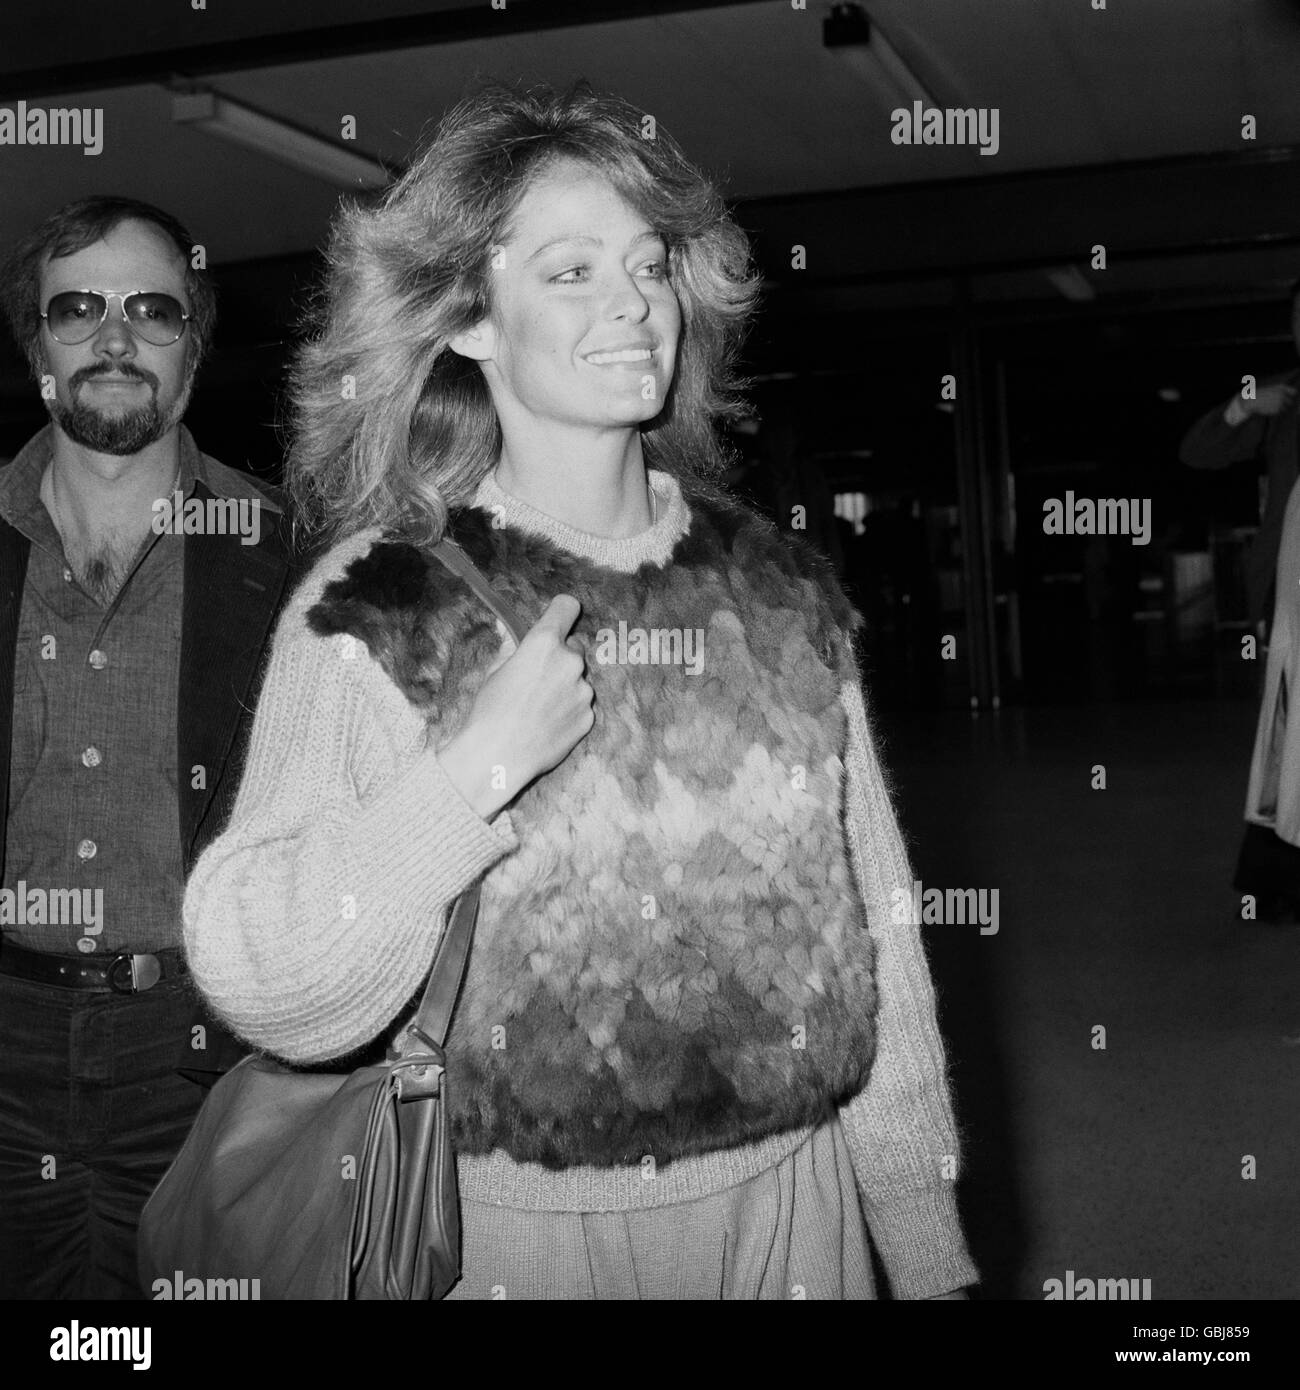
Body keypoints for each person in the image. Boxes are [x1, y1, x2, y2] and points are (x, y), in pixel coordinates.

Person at [183, 80, 980, 1300]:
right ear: (469, 321)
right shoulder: (379, 605)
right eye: (569, 271)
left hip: (792, 1218)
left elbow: (881, 945)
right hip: (511, 1238)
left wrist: (926, 1253)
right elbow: (262, 976)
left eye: (650, 265)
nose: (633, 305)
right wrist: (464, 783)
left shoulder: (774, 586)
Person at [0, 197, 294, 1298]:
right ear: (38, 346)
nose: (113, 338)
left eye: (151, 310)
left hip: (209, 1055)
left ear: (194, 349)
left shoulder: (292, 556)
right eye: (77, 308)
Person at [1179, 280, 1300, 920]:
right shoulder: (1284, 396)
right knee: (1284, 737)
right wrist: (1248, 404)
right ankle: (1276, 880)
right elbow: (1195, 452)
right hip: (1290, 592)